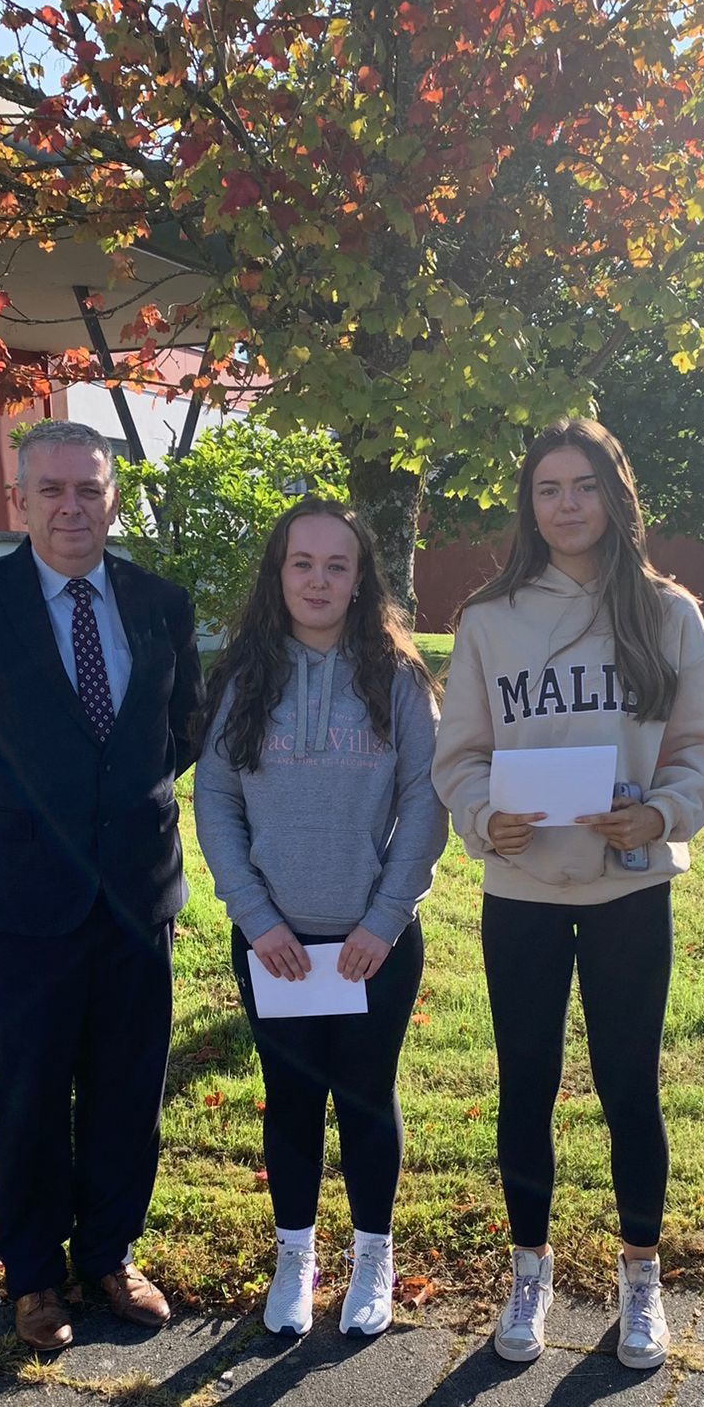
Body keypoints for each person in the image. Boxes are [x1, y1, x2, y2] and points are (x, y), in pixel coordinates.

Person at [432, 418, 704, 1370]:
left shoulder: (666, 612)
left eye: (584, 485)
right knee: (524, 1083)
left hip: (627, 889)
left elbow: (702, 747)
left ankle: (641, 1276)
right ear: (528, 503)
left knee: (627, 1085)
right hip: (521, 885)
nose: (566, 505)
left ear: (616, 494)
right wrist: (485, 817)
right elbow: (461, 756)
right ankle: (531, 1269)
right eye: (548, 488)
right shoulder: (489, 618)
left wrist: (664, 815)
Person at [0, 420, 204, 1353]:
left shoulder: (163, 602)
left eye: (91, 489)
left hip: (135, 893)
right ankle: (33, 1276)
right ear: (19, 501)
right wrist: (19, 818)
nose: (73, 507)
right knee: (30, 1093)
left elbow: (182, 728)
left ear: (115, 499)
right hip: (22, 898)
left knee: (127, 1087)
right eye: (53, 491)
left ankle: (110, 1253)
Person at [194, 499, 447, 1341]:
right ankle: (295, 1256)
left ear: (360, 577)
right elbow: (217, 801)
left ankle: (372, 1255)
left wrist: (384, 919)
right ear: (279, 573)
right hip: (277, 945)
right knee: (292, 1097)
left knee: (368, 1098)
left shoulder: (398, 679)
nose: (318, 579)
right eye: (302, 563)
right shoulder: (242, 677)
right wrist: (257, 919)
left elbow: (425, 802)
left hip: (373, 944)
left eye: (337, 565)